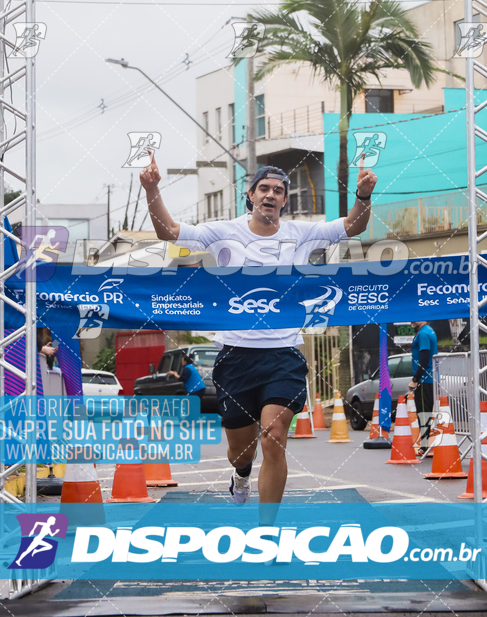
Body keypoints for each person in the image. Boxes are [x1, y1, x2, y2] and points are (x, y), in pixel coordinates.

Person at [140, 152, 377, 511]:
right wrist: (152, 190)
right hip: (236, 355)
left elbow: (353, 227)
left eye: (278, 190)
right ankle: (241, 472)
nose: (270, 194)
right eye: (263, 188)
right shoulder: (222, 232)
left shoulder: (303, 233)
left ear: (284, 199)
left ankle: (267, 532)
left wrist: (363, 196)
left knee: (274, 436)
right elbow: (168, 232)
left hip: (283, 354)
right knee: (241, 449)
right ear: (250, 195)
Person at [408, 320, 439, 454]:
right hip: (429, 378)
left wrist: (415, 379)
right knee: (425, 411)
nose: (411, 321)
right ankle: (425, 445)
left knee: (423, 412)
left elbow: (425, 358)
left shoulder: (423, 334)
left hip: (424, 380)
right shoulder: (428, 331)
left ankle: (424, 446)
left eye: (414, 318)